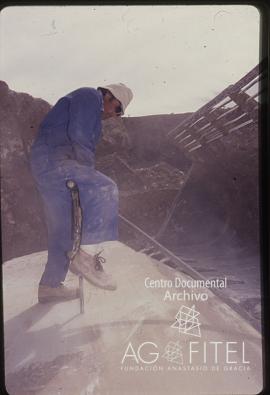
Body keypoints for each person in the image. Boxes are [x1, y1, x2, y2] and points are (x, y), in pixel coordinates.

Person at [30, 83, 133, 303]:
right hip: (54, 161)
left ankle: (49, 286)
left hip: (45, 166)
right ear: (109, 96)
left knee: (63, 228)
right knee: (105, 188)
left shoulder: (93, 116)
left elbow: (81, 138)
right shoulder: (90, 96)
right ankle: (86, 258)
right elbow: (79, 134)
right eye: (118, 109)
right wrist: (88, 177)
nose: (115, 116)